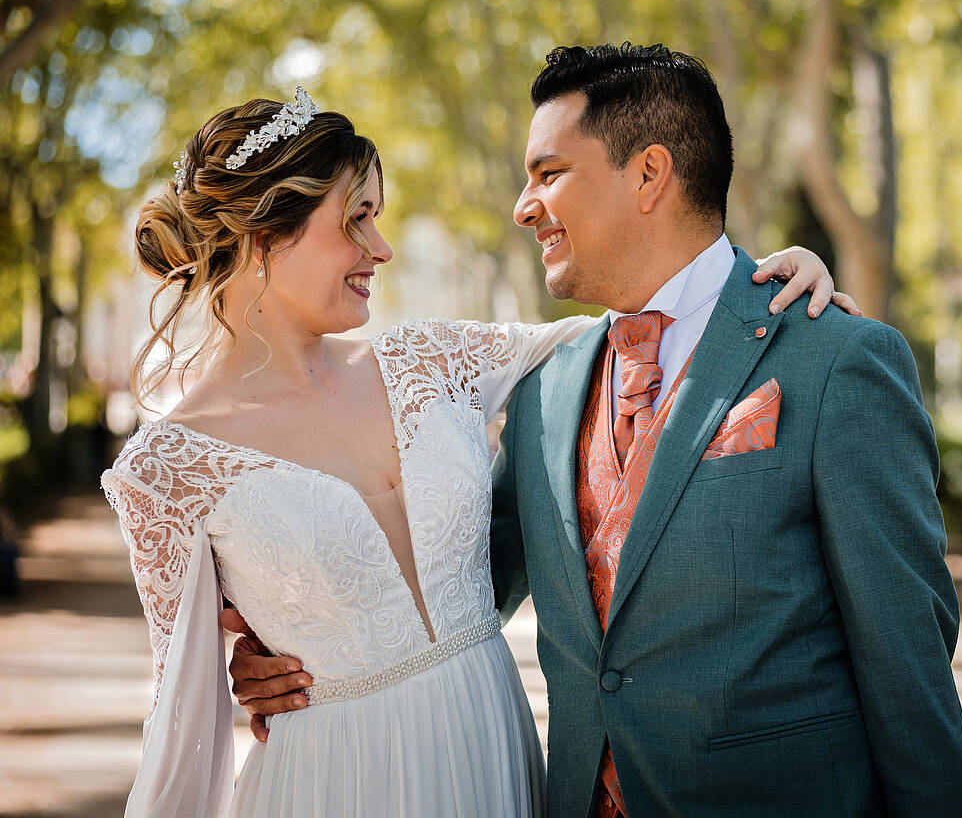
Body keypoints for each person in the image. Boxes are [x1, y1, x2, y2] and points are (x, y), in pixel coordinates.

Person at [237, 44, 962, 816]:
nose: (524, 206)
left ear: (649, 175)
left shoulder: (834, 358)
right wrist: (293, 637)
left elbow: (907, 663)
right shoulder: (545, 382)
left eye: (548, 173)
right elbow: (455, 586)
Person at [102, 85, 848, 818]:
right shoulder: (165, 470)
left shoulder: (432, 361)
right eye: (356, 221)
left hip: (493, 758)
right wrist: (253, 667)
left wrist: (767, 283)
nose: (381, 249)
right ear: (262, 238)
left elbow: (640, 333)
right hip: (330, 780)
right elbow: (181, 727)